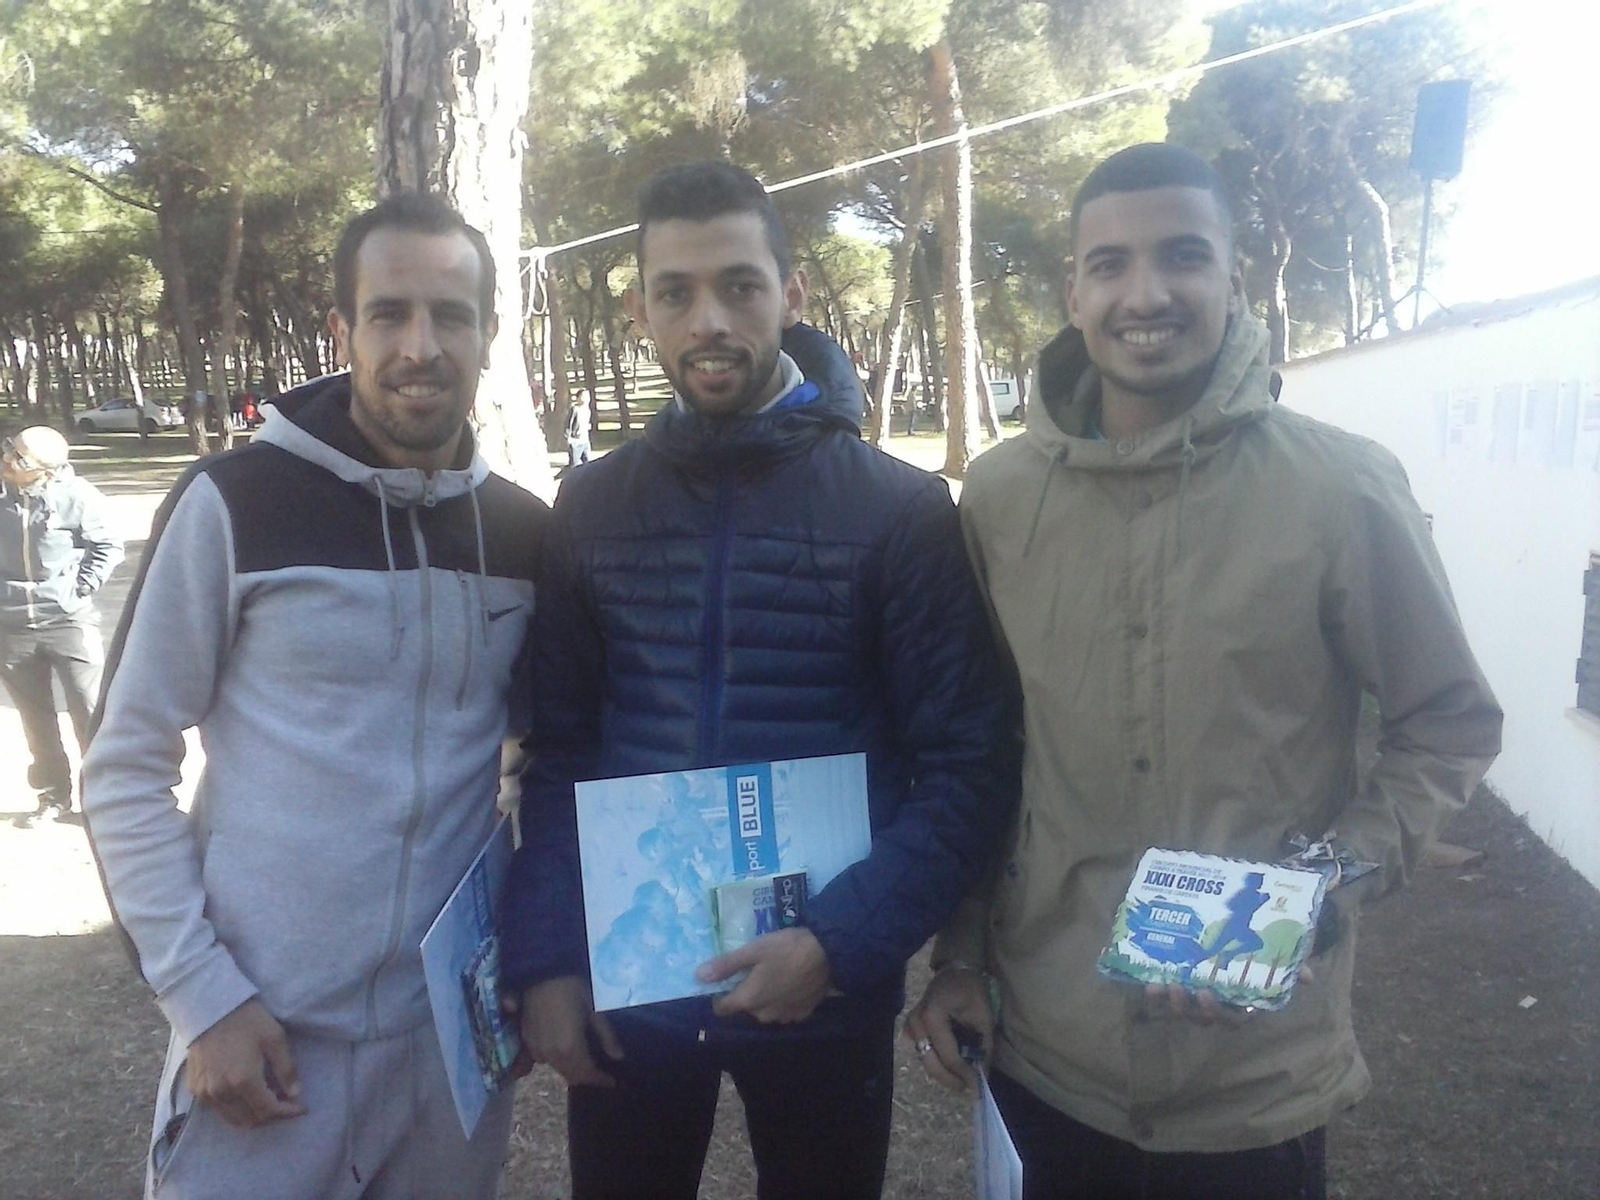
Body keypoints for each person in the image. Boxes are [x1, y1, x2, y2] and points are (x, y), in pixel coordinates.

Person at [905, 143, 1502, 1200]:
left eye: (1182, 256)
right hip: (1052, 1057)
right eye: (1110, 263)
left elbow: (1444, 721)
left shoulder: (1341, 489)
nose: (1146, 293)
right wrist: (960, 954)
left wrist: (1331, 880)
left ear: (1234, 272)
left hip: (1256, 1077)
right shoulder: (997, 499)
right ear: (1072, 292)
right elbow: (987, 746)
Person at [499, 161, 1017, 1200]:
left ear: (792, 295)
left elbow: (967, 763)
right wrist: (548, 959)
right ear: (643, 309)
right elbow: (557, 753)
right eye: (674, 292)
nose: (708, 321)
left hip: (822, 987)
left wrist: (839, 944)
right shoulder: (591, 504)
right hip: (631, 983)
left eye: (739, 286)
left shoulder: (900, 510)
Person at [82, 192, 549, 1200]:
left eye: (451, 315)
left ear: (487, 335)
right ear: (343, 330)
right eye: (389, 314)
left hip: (449, 1057)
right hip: (264, 1044)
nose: (420, 346)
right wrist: (203, 1002)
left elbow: (554, 760)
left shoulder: (524, 536)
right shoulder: (232, 504)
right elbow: (124, 767)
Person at [1, 425, 123, 822]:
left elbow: (107, 546)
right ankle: (53, 797)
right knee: (36, 719)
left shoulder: (77, 496)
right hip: (13, 625)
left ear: (47, 471)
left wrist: (79, 588)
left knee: (90, 713)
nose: (8, 459)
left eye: (19, 458)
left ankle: (103, 802)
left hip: (69, 621)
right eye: (9, 449)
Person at [563, 389, 592, 471]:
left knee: (589, 464)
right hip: (576, 442)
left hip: (585, 441)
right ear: (578, 398)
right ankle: (561, 477)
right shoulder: (574, 409)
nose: (586, 398)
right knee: (573, 466)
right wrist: (569, 439)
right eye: (584, 396)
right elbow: (568, 424)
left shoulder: (587, 410)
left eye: (588, 396)